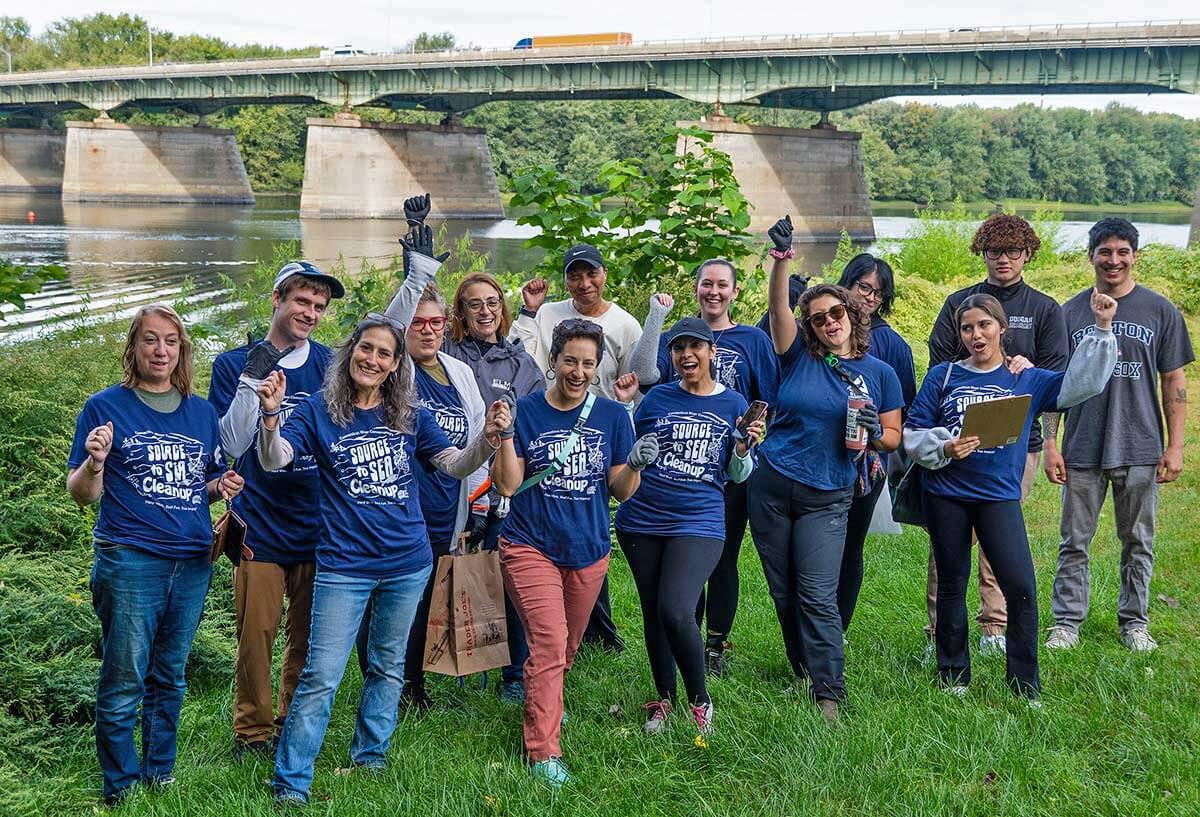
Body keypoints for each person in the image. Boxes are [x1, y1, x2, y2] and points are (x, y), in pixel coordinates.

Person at [257, 266, 509, 808]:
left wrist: (487, 442)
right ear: (350, 353)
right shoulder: (320, 412)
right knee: (322, 675)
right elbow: (275, 460)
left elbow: (452, 464)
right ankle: (292, 782)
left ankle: (370, 757)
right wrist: (271, 418)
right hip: (344, 565)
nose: (372, 359)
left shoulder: (409, 414)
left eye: (384, 354)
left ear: (396, 365)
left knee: (389, 666)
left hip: (407, 561)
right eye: (365, 349)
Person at [67, 304, 244, 806]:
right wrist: (95, 463)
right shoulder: (105, 407)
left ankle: (159, 771)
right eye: (150, 339)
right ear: (134, 347)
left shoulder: (202, 413)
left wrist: (220, 486)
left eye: (170, 341)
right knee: (125, 677)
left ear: (182, 350)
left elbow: (194, 486)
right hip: (131, 561)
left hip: (191, 562)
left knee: (170, 674)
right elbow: (82, 494)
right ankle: (121, 787)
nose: (161, 350)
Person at [905, 291, 1117, 699]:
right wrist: (946, 446)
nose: (976, 335)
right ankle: (952, 676)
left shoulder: (1026, 378)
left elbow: (1082, 385)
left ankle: (1024, 684)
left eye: (984, 325)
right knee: (952, 583)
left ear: (1002, 328)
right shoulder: (943, 376)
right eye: (967, 328)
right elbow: (913, 432)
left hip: (998, 496)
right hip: (946, 493)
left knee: (1020, 587)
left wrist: (1103, 328)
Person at [491, 319, 658, 787]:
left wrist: (635, 464)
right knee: (548, 643)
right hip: (529, 544)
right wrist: (505, 435)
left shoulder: (612, 416)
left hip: (588, 549)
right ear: (554, 360)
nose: (579, 372)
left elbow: (621, 490)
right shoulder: (525, 411)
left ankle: (547, 698)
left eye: (588, 363)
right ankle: (543, 752)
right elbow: (507, 485)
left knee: (566, 646)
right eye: (570, 361)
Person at [750, 216, 904, 722]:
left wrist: (873, 434)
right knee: (783, 591)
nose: (829, 322)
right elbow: (778, 309)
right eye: (818, 319)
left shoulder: (880, 373)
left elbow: (894, 436)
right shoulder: (797, 357)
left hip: (829, 495)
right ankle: (801, 666)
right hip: (772, 486)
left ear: (851, 315)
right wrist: (781, 259)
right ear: (811, 327)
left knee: (817, 591)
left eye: (836, 312)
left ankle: (828, 694)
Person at [208, 260, 344, 759]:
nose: (310, 313)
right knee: (256, 635)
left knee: (305, 636)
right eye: (301, 301)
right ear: (277, 299)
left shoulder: (332, 365)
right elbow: (229, 444)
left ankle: (291, 721)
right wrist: (253, 377)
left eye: (318, 306)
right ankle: (252, 732)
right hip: (259, 522)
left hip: (318, 521)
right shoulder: (233, 364)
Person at [1044, 218, 1194, 653]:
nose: (1114, 260)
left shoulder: (1160, 311)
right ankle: (1066, 623)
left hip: (1140, 445)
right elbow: (1054, 384)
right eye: (1105, 252)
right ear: (1090, 256)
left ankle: (1134, 623)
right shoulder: (1068, 313)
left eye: (1122, 252)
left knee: (1138, 542)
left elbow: (1174, 381)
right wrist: (1051, 443)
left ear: (1135, 256)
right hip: (1082, 446)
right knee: (1074, 542)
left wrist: (1176, 445)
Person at [925, 214, 1068, 657]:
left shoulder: (1045, 309)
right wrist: (943, 441)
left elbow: (1056, 384)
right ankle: (938, 632)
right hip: (956, 449)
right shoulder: (958, 303)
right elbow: (939, 366)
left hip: (1016, 446)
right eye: (994, 251)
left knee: (999, 543)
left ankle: (994, 628)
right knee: (947, 548)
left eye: (1012, 251)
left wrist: (1049, 443)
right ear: (982, 253)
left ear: (1027, 254)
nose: (1003, 259)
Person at [614, 317, 765, 737]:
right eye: (678, 348)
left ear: (712, 352)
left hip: (699, 519)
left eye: (695, 346)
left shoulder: (733, 403)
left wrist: (741, 447)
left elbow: (737, 474)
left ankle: (700, 700)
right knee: (653, 611)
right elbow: (626, 448)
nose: (686, 355)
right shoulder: (657, 398)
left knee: (676, 608)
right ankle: (664, 698)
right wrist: (627, 408)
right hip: (642, 518)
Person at [510, 244, 665, 653]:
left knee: (587, 532)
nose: (583, 283)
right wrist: (527, 312)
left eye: (591, 273)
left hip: (600, 436)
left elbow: (640, 376)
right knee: (549, 528)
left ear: (604, 274)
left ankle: (593, 632)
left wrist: (627, 409)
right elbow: (520, 358)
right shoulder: (549, 314)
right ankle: (546, 640)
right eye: (574, 275)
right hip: (545, 429)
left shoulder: (624, 323)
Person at [638, 258, 779, 676]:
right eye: (706, 284)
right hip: (681, 469)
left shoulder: (753, 339)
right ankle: (688, 634)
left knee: (721, 556)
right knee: (683, 561)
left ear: (735, 291)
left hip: (732, 464)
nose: (713, 292)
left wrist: (749, 439)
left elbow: (769, 399)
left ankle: (715, 644)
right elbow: (646, 378)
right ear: (696, 287)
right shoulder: (678, 338)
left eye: (722, 285)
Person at [354, 284, 489, 712]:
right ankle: (381, 683)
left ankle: (411, 683)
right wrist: (416, 278)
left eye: (436, 322)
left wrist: (480, 501)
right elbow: (386, 327)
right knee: (386, 600)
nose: (428, 331)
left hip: (447, 506)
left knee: (424, 599)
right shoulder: (395, 371)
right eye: (418, 323)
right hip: (399, 508)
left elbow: (477, 436)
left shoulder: (458, 372)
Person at [443, 271, 544, 702]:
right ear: (460, 312)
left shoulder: (520, 363)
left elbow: (538, 423)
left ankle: (514, 675)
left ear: (502, 308)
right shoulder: (445, 352)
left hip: (502, 484)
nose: (485, 311)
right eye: (474, 304)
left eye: (492, 302)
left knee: (509, 577)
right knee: (447, 574)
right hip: (449, 478)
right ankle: (441, 660)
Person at [834, 253, 917, 634]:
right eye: (863, 287)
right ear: (847, 284)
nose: (869, 297)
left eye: (878, 293)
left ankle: (839, 630)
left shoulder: (892, 345)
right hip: (817, 456)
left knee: (850, 547)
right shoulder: (822, 331)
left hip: (868, 464)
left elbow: (906, 407)